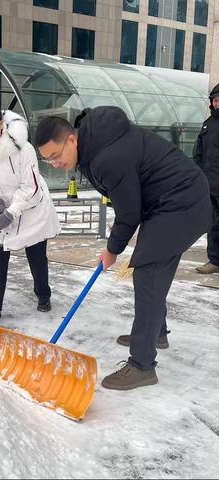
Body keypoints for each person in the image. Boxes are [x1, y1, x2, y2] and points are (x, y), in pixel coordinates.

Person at [35, 106, 212, 390]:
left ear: (72, 139)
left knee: (147, 273)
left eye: (56, 156)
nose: (55, 164)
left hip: (181, 201)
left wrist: (112, 249)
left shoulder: (106, 157)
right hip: (165, 201)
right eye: (48, 161)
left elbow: (129, 213)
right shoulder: (96, 143)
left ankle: (142, 366)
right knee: (150, 270)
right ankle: (155, 333)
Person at [0, 102, 60, 328]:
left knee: (36, 256)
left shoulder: (23, 149)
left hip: (30, 210)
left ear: (0, 124)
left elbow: (31, 187)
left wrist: (12, 210)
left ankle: (43, 295)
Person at [193, 82, 219, 274]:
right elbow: (198, 154)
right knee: (213, 223)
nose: (217, 103)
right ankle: (215, 260)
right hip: (210, 184)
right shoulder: (207, 124)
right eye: (215, 100)